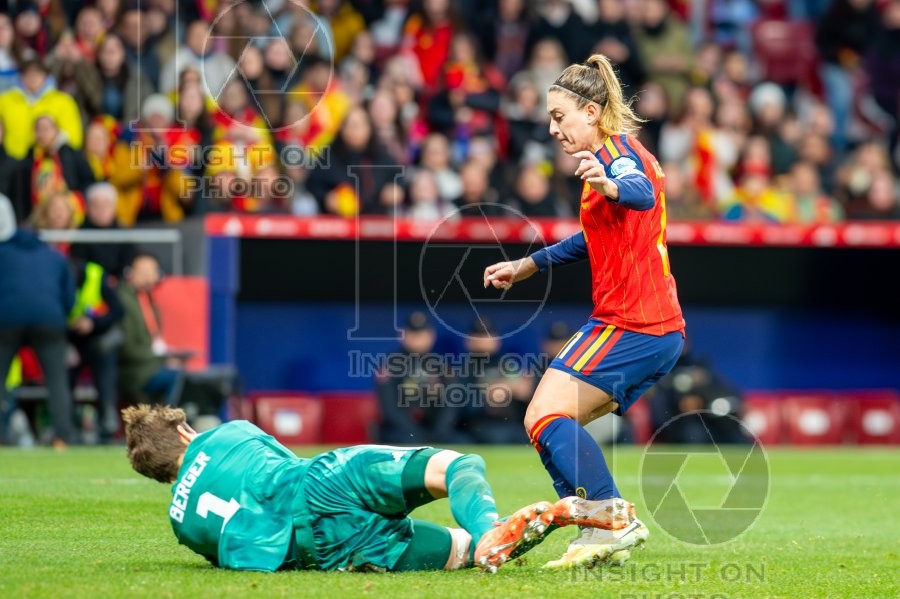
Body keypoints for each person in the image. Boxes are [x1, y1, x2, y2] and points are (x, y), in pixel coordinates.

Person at [482, 54, 685, 569]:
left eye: (559, 116)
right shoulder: (610, 158)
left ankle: (610, 518)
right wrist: (529, 264)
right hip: (646, 327)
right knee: (548, 423)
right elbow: (591, 238)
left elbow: (635, 192)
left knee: (545, 413)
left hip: (633, 322)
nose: (553, 129)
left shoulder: (618, 156)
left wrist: (610, 183)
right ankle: (599, 527)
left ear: (591, 111)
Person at [122, 404, 637, 573]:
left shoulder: (180, 524)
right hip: (320, 485)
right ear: (183, 432)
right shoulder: (226, 432)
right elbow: (287, 467)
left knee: (458, 556)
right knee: (456, 465)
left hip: (313, 552)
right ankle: (490, 528)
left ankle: (481, 544)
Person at [0, 193, 76, 447]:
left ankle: (1, 437)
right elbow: (69, 296)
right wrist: (59, 317)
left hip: (6, 319)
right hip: (48, 318)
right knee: (56, 381)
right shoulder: (53, 255)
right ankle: (62, 437)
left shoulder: (3, 252)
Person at [67, 258, 124, 443]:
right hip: (72, 340)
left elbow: (118, 310)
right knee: (65, 382)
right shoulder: (57, 280)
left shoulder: (96, 275)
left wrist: (93, 323)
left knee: (105, 382)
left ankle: (107, 427)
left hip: (100, 339)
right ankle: (65, 428)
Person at [117, 252, 184, 406]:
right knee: (178, 378)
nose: (148, 277)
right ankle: (167, 424)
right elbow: (127, 350)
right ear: (129, 272)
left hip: (152, 366)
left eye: (152, 272)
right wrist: (160, 357)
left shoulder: (149, 300)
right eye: (143, 272)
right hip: (135, 373)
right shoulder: (124, 300)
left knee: (191, 378)